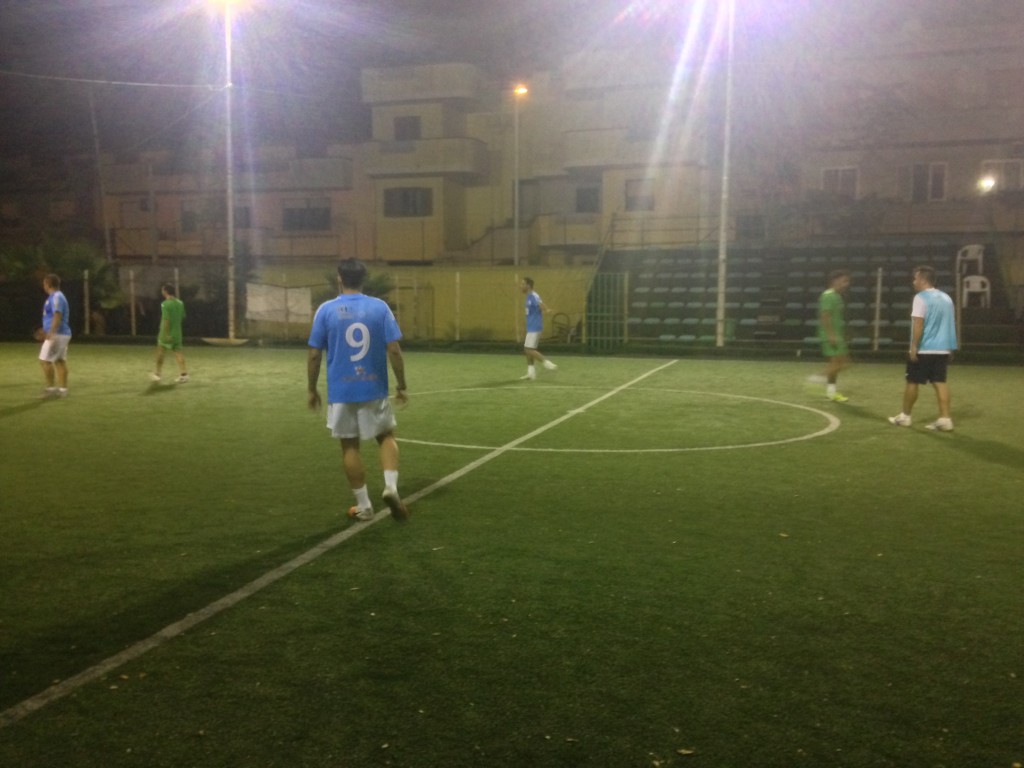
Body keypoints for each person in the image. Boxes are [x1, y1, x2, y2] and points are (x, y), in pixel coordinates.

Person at [307, 258, 410, 523]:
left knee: (349, 445)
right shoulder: (379, 307)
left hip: (341, 392)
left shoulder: (326, 310)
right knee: (385, 436)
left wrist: (312, 389)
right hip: (373, 388)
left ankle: (364, 506)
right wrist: (401, 385)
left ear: (339, 278)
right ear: (364, 279)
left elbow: (314, 355)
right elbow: (394, 350)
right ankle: (390, 487)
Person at [888, 265, 957, 431]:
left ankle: (905, 417)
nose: (913, 282)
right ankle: (945, 419)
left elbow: (918, 323)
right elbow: (950, 323)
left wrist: (913, 346)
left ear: (923, 280)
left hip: (925, 348)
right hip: (942, 348)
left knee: (912, 381)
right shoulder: (947, 298)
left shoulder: (920, 298)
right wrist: (950, 347)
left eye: (915, 278)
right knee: (940, 382)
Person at [812, 269, 851, 402]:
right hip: (831, 336)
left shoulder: (837, 296)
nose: (846, 284)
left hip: (836, 335)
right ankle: (816, 379)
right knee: (841, 363)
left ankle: (831, 392)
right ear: (835, 280)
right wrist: (831, 335)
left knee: (840, 363)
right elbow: (825, 316)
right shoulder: (828, 295)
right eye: (844, 281)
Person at [38, 273, 71, 399]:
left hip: (57, 334)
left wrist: (51, 332)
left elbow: (58, 314)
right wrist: (45, 329)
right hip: (61, 333)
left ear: (48, 284)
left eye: (44, 283)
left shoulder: (57, 296)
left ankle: (51, 389)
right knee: (59, 361)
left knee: (45, 361)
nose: (43, 286)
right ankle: (63, 390)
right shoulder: (55, 296)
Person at [519, 276, 557, 380]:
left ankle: (547, 363)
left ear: (528, 285)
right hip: (531, 327)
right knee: (528, 349)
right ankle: (531, 373)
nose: (521, 286)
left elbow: (540, 303)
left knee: (529, 349)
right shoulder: (528, 296)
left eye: (523, 284)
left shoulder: (533, 295)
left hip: (535, 327)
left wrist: (546, 310)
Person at [151, 284, 189, 383]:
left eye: (162, 290)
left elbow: (166, 319)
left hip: (166, 333)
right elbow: (182, 316)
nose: (162, 291)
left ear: (165, 291)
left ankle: (157, 374)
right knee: (178, 353)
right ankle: (184, 374)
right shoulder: (180, 303)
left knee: (160, 353)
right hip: (177, 333)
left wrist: (167, 333)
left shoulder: (165, 304)